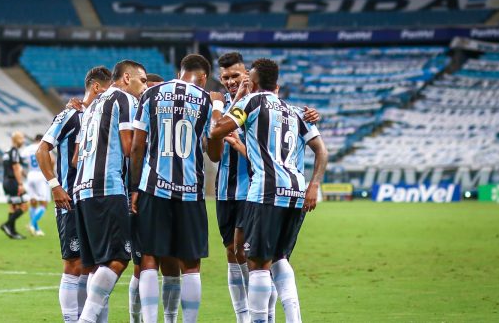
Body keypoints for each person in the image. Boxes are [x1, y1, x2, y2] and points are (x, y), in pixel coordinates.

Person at [210, 58, 329, 323]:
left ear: (251, 82)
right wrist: (314, 185)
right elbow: (322, 150)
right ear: (277, 85)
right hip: (295, 190)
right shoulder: (296, 111)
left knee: (258, 263)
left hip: (265, 190)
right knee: (278, 257)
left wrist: (223, 104)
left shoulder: (250, 102)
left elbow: (217, 130)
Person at [130, 54, 224, 323]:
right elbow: (215, 153)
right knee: (191, 263)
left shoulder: (152, 93)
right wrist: (217, 110)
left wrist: (134, 187)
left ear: (180, 71)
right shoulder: (206, 99)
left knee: (148, 257)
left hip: (153, 187)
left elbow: (137, 146)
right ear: (204, 77)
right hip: (190, 190)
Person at [36, 66, 112, 323]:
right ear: (97, 87)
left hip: (93, 200)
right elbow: (42, 150)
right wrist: (55, 186)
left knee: (94, 267)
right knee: (74, 265)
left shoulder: (100, 117)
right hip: (70, 201)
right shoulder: (71, 115)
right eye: (108, 89)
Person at [74, 60, 147, 323]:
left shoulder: (93, 104)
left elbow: (74, 158)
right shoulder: (124, 99)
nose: (144, 86)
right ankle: (86, 319)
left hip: (82, 189)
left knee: (97, 265)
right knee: (118, 258)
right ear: (127, 78)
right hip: (106, 187)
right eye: (142, 80)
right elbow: (130, 148)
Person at [0, 132, 29, 240]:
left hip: (6, 181)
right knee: (25, 205)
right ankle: (7, 224)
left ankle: (12, 232)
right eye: (21, 138)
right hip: (13, 182)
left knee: (13, 207)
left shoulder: (6, 152)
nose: (23, 141)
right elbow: (16, 168)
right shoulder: (15, 151)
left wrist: (24, 174)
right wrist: (20, 183)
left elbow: (14, 167)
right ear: (16, 139)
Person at [22, 134, 50, 236]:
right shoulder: (43, 146)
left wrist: (24, 174)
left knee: (33, 202)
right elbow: (51, 161)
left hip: (30, 175)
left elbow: (19, 162)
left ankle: (36, 229)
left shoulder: (27, 149)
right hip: (40, 175)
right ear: (41, 139)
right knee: (44, 204)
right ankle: (32, 224)